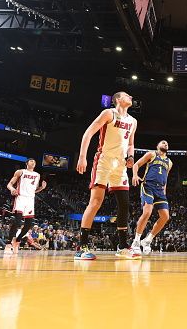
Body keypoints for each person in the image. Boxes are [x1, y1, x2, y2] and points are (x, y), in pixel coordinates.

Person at [75, 91, 137, 260]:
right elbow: (88, 133)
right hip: (104, 161)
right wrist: (82, 157)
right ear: (118, 99)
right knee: (95, 202)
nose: (130, 97)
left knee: (124, 204)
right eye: (126, 95)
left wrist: (130, 157)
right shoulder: (109, 113)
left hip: (121, 165)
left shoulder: (133, 121)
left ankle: (123, 246)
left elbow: (131, 143)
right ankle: (82, 247)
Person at [131, 140, 173, 258]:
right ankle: (136, 241)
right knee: (147, 212)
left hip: (160, 191)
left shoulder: (169, 162)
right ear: (157, 146)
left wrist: (164, 191)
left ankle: (147, 240)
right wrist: (135, 175)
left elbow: (165, 178)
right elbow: (136, 165)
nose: (165, 144)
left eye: (167, 143)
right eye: (163, 142)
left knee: (165, 216)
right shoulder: (152, 154)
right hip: (148, 186)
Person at [5, 158, 47, 254]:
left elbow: (34, 190)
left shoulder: (37, 175)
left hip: (30, 200)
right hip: (20, 198)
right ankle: (8, 243)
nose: (33, 162)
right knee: (17, 221)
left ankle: (17, 240)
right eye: (31, 161)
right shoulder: (20, 172)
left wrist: (41, 188)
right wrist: (12, 189)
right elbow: (9, 184)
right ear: (27, 163)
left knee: (28, 225)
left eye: (35, 162)